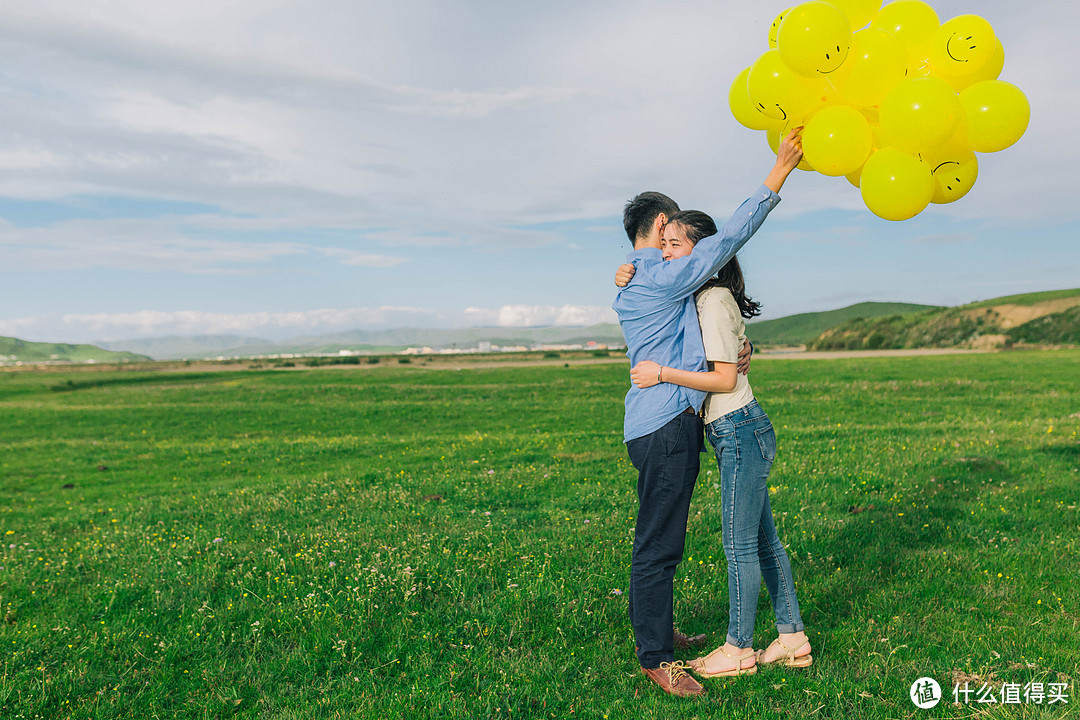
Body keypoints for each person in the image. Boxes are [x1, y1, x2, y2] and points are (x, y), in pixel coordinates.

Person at [612, 128, 802, 698]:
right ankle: (656, 656)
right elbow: (727, 240)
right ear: (663, 225)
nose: (675, 240)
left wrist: (740, 351)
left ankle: (661, 628)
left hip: (661, 422)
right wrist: (776, 177)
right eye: (671, 231)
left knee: (666, 535)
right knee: (660, 542)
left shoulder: (638, 276)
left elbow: (705, 331)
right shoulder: (663, 273)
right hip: (667, 423)